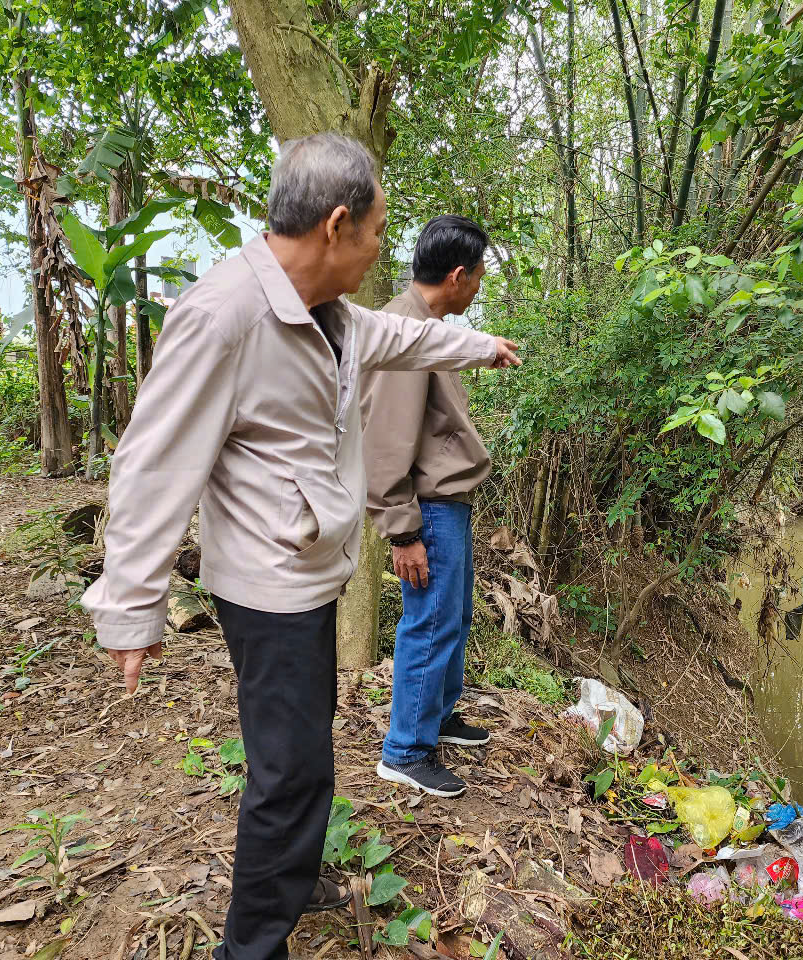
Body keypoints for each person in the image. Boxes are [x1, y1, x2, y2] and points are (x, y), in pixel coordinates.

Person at [81, 133, 520, 960]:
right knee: (289, 774)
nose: (383, 250)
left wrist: (477, 346)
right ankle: (251, 947)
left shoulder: (330, 312)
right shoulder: (224, 315)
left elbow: (407, 340)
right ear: (337, 224)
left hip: (312, 574)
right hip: (267, 586)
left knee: (305, 749)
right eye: (379, 233)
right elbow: (153, 465)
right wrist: (130, 606)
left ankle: (289, 870)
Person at [358, 215, 494, 798]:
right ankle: (406, 749)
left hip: (448, 501)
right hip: (427, 508)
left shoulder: (427, 326)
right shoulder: (402, 329)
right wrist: (400, 528)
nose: (482, 285)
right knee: (430, 624)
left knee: (453, 619)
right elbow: (386, 436)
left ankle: (436, 717)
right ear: (458, 275)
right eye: (481, 274)